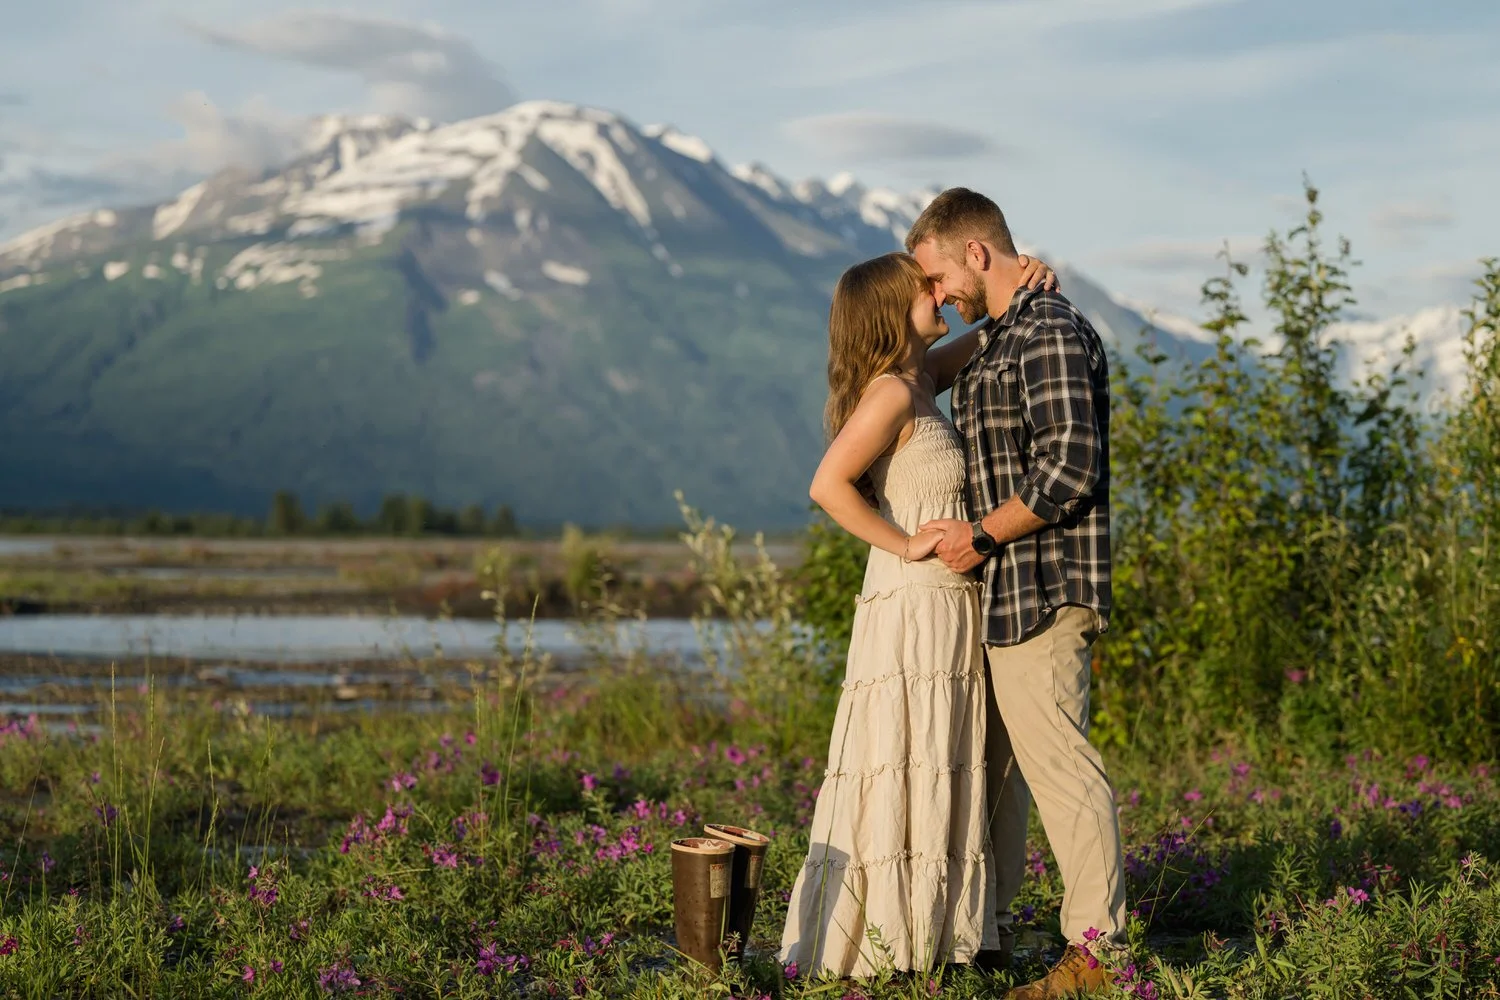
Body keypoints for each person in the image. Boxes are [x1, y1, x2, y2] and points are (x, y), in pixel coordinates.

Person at [779, 249, 1057, 979]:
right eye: (924, 289)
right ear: (887, 311)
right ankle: (894, 942)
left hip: (951, 603)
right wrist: (904, 543)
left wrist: (1024, 279)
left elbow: (992, 326)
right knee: (909, 751)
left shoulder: (922, 379)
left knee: (946, 754)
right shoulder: (892, 396)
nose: (940, 294)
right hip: (914, 604)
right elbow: (827, 485)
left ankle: (939, 934)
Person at [909, 187, 1125, 999]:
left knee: (1062, 766)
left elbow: (1071, 467)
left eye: (937, 278)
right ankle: (987, 932)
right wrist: (991, 310)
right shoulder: (1003, 335)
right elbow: (915, 371)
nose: (937, 298)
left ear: (976, 251)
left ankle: (1097, 955)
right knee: (998, 773)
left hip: (1047, 580)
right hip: (1002, 592)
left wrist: (981, 535)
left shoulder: (1054, 331)